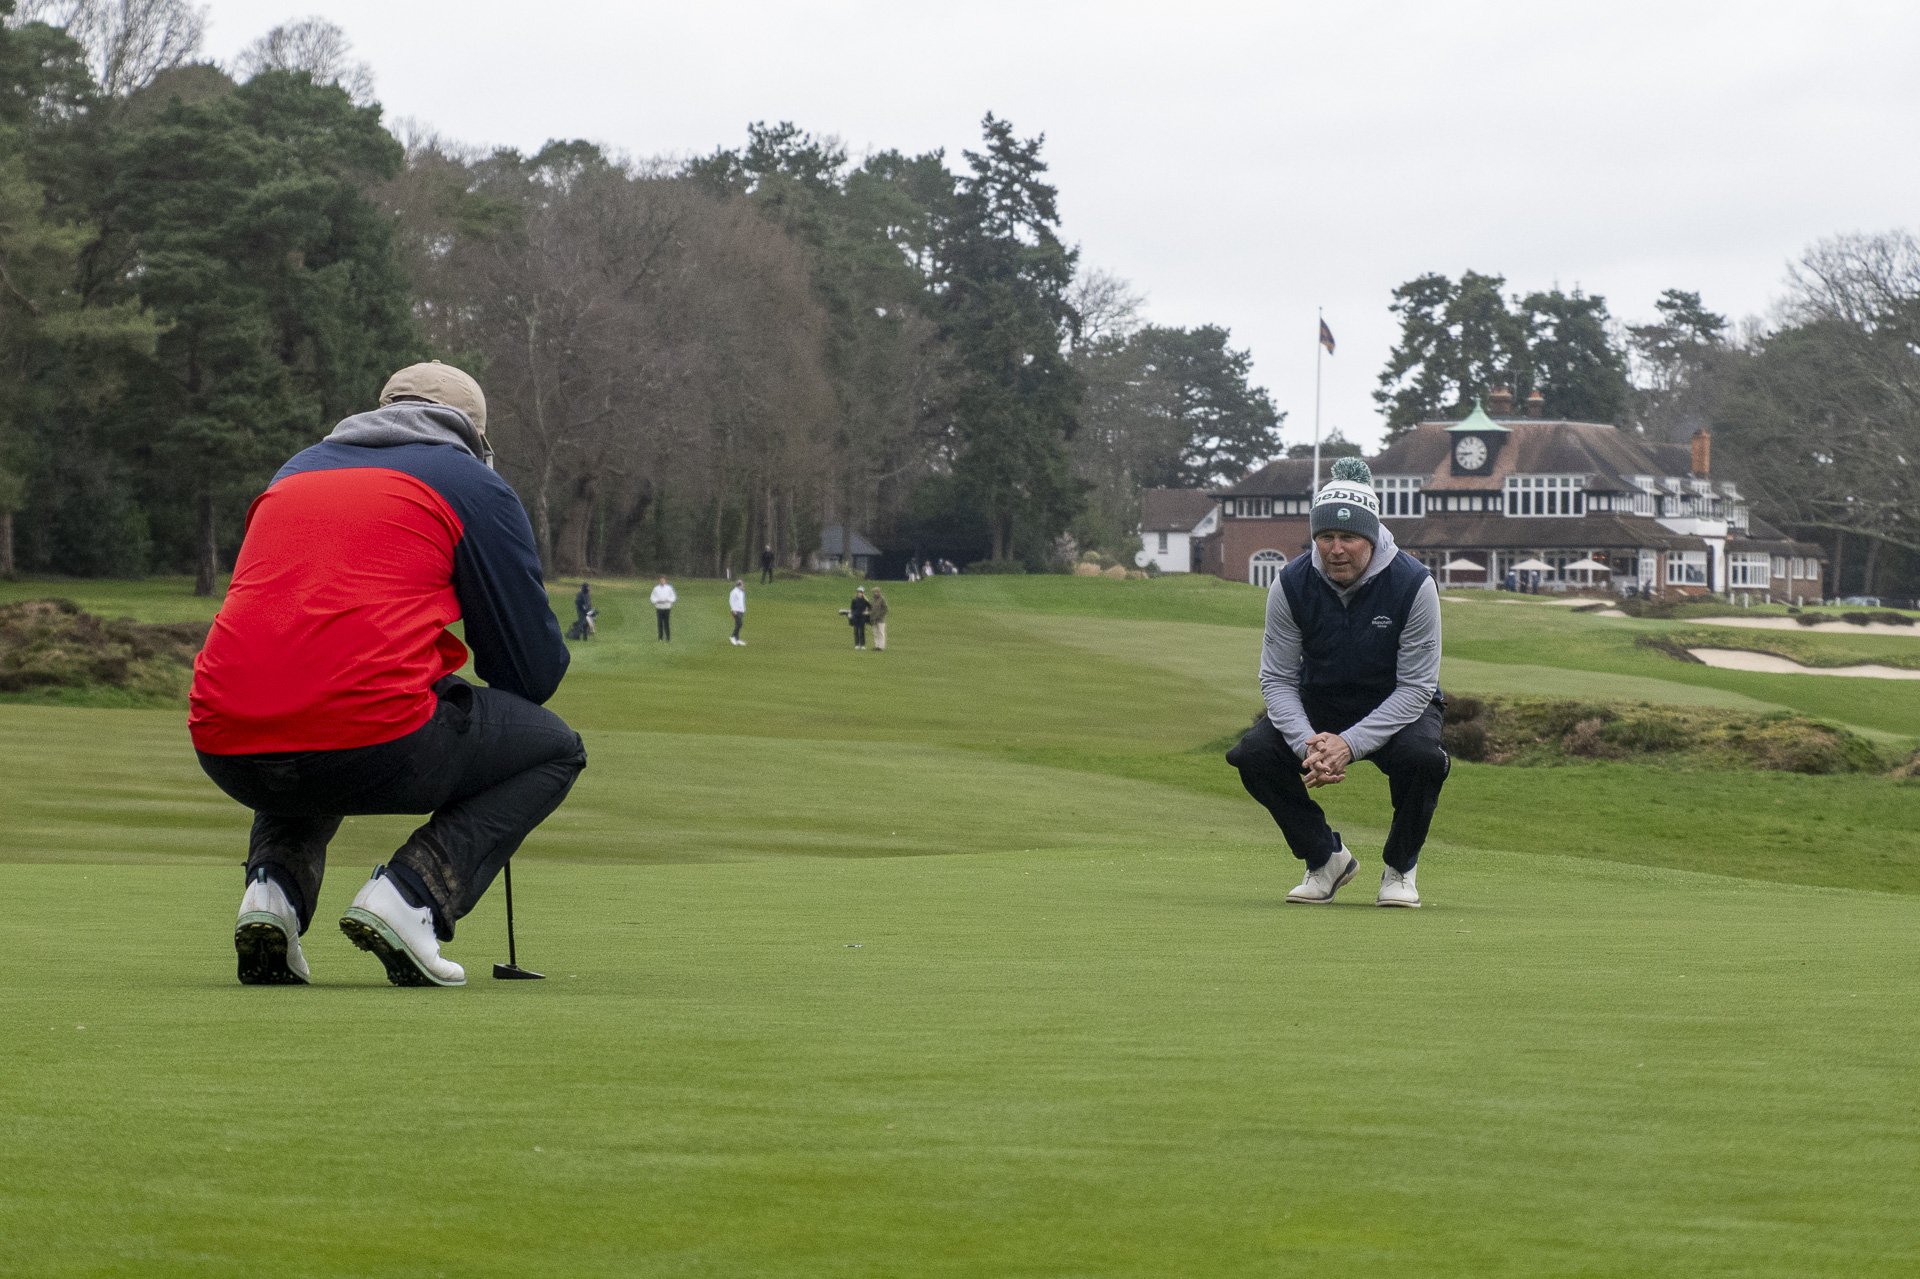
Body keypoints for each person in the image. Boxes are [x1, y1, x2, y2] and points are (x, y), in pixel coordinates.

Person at [191, 361, 585, 987]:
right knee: (555, 750)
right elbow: (530, 672)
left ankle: (273, 894)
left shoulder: (295, 470)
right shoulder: (470, 483)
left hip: (224, 740)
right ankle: (413, 895)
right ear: (473, 437)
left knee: (310, 709)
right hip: (371, 736)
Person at [1224, 457, 1446, 908]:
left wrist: (1348, 744)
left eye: (1349, 537)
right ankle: (1325, 859)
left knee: (1423, 758)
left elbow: (1417, 687)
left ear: (1372, 536)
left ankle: (1401, 868)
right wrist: (1309, 742)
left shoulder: (1414, 584)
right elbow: (1279, 677)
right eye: (1325, 536)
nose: (1336, 549)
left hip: (1397, 704)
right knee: (1254, 755)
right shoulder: (1290, 583)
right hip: (1320, 700)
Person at [650, 575, 676, 641]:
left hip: (667, 607)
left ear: (665, 581)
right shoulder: (656, 588)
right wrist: (656, 601)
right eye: (661, 580)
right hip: (659, 607)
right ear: (659, 581)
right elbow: (652, 597)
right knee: (660, 623)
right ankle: (660, 638)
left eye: (663, 580)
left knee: (666, 622)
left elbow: (673, 597)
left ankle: (668, 637)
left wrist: (669, 600)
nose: (662, 581)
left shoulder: (669, 588)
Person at [728, 579, 747, 646]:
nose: (743, 586)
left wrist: (744, 609)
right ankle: (732, 636)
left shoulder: (741, 592)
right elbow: (731, 601)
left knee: (737, 624)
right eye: (742, 584)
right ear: (739, 585)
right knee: (739, 624)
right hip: (736, 610)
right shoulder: (734, 592)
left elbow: (742, 601)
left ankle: (737, 639)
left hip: (741, 610)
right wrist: (733, 610)